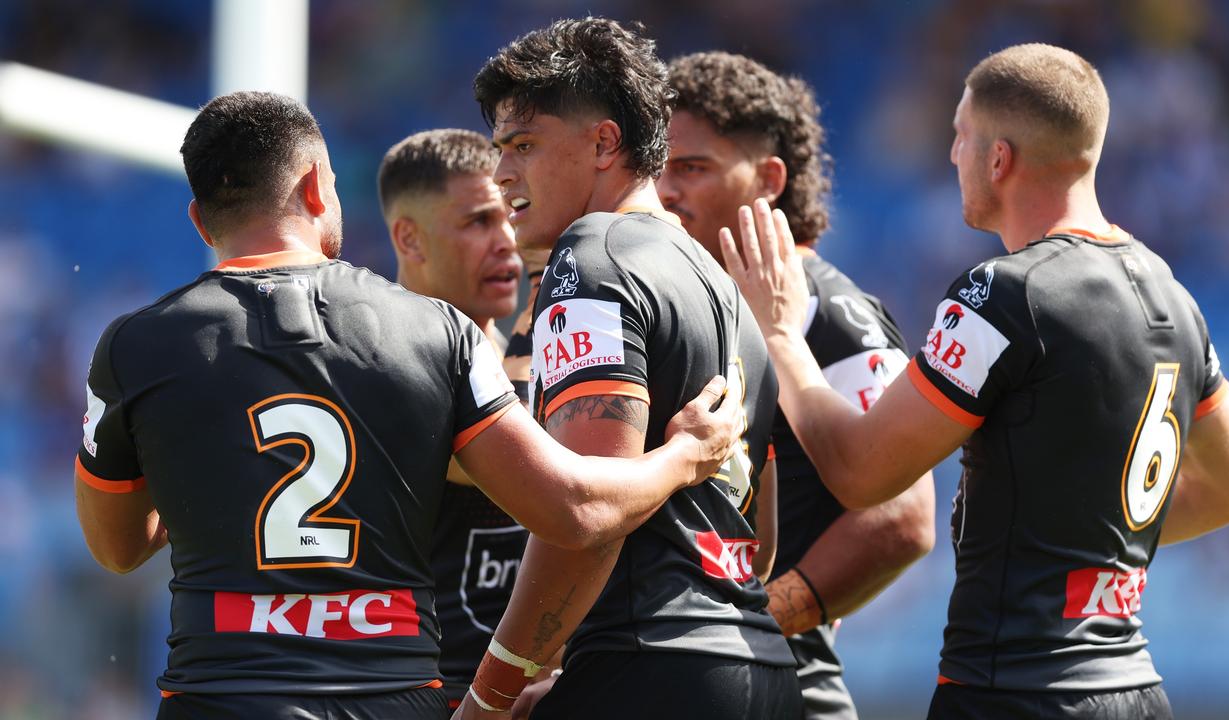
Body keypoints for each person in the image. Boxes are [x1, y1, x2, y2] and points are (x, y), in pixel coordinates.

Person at [73, 90, 742, 720]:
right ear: (314, 187)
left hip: (218, 696)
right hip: (391, 697)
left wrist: (206, 475)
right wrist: (686, 454)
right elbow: (575, 509)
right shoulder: (436, 332)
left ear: (198, 218)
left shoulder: (135, 348)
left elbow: (118, 546)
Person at [723, 43, 1229, 720]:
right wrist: (1086, 545)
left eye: (960, 136)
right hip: (1138, 689)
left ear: (998, 158)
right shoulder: (1170, 293)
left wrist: (776, 332)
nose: (951, 156)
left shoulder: (1003, 296)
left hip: (1016, 689)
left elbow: (860, 473)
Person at [456, 17, 802, 720]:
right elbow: (757, 542)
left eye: (523, 145)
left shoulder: (592, 259)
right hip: (756, 665)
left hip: (652, 662)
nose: (500, 174)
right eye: (499, 149)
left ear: (604, 142)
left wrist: (490, 696)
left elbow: (584, 516)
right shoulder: (726, 288)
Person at [659, 51, 935, 720]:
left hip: (783, 689)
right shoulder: (706, 304)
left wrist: (754, 621)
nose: (666, 192)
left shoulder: (823, 308)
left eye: (693, 168)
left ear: (770, 179)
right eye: (659, 168)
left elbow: (903, 516)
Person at [377, 128, 529, 711]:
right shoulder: (388, 356)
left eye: (512, 215)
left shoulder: (536, 353)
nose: (507, 242)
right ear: (409, 239)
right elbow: (521, 459)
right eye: (478, 223)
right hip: (426, 698)